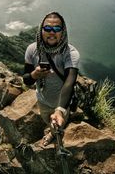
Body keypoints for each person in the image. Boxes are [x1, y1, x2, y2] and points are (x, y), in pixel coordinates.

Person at [23, 12, 80, 146]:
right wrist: (34, 75)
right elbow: (26, 80)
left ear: (63, 31)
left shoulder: (70, 53)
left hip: (62, 103)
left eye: (57, 29)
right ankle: (51, 130)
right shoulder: (32, 50)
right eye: (47, 28)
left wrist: (60, 110)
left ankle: (53, 134)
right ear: (41, 30)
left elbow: (69, 82)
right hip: (42, 100)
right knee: (47, 120)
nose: (52, 32)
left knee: (57, 125)